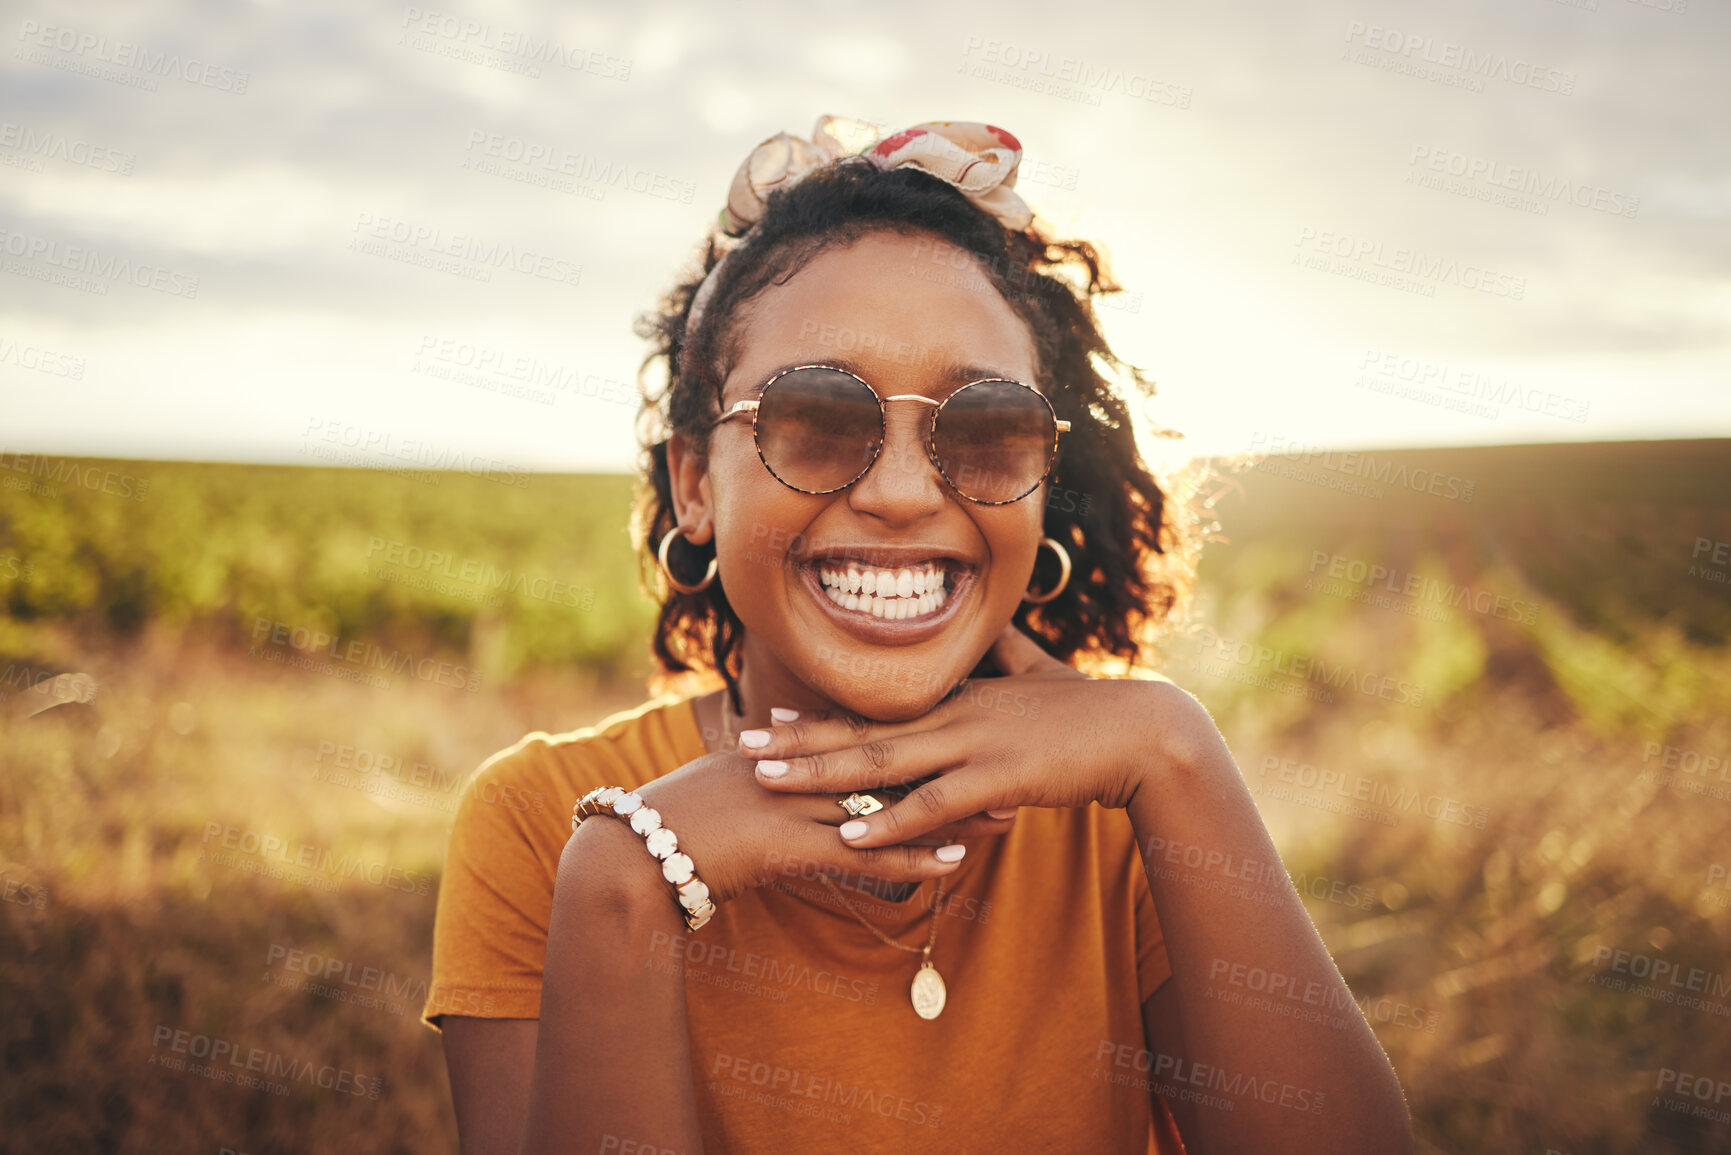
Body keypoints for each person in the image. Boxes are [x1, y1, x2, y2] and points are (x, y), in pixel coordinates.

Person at [423, 116, 1413, 1154]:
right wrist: (627, 886)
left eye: (985, 427)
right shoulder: (549, 826)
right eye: (812, 416)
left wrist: (1176, 748)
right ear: (692, 485)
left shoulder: (1119, 812)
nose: (902, 491)